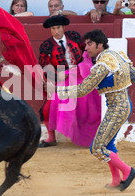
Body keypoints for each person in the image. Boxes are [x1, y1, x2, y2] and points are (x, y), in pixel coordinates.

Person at [57, 29, 135, 191]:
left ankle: (127, 171)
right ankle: (116, 179)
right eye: (85, 45)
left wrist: (58, 92)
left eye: (90, 44)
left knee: (97, 148)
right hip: (122, 105)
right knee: (108, 144)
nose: (86, 48)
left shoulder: (102, 65)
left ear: (100, 45)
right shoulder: (117, 56)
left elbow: (84, 89)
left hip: (117, 108)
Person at [38, 15, 101, 147]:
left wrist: (89, 66)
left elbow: (87, 51)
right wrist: (56, 76)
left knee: (90, 105)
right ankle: (51, 138)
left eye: (59, 27)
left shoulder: (73, 36)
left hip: (81, 74)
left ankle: (94, 136)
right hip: (62, 78)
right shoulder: (46, 46)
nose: (56, 31)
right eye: (53, 28)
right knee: (47, 108)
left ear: (63, 27)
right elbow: (43, 67)